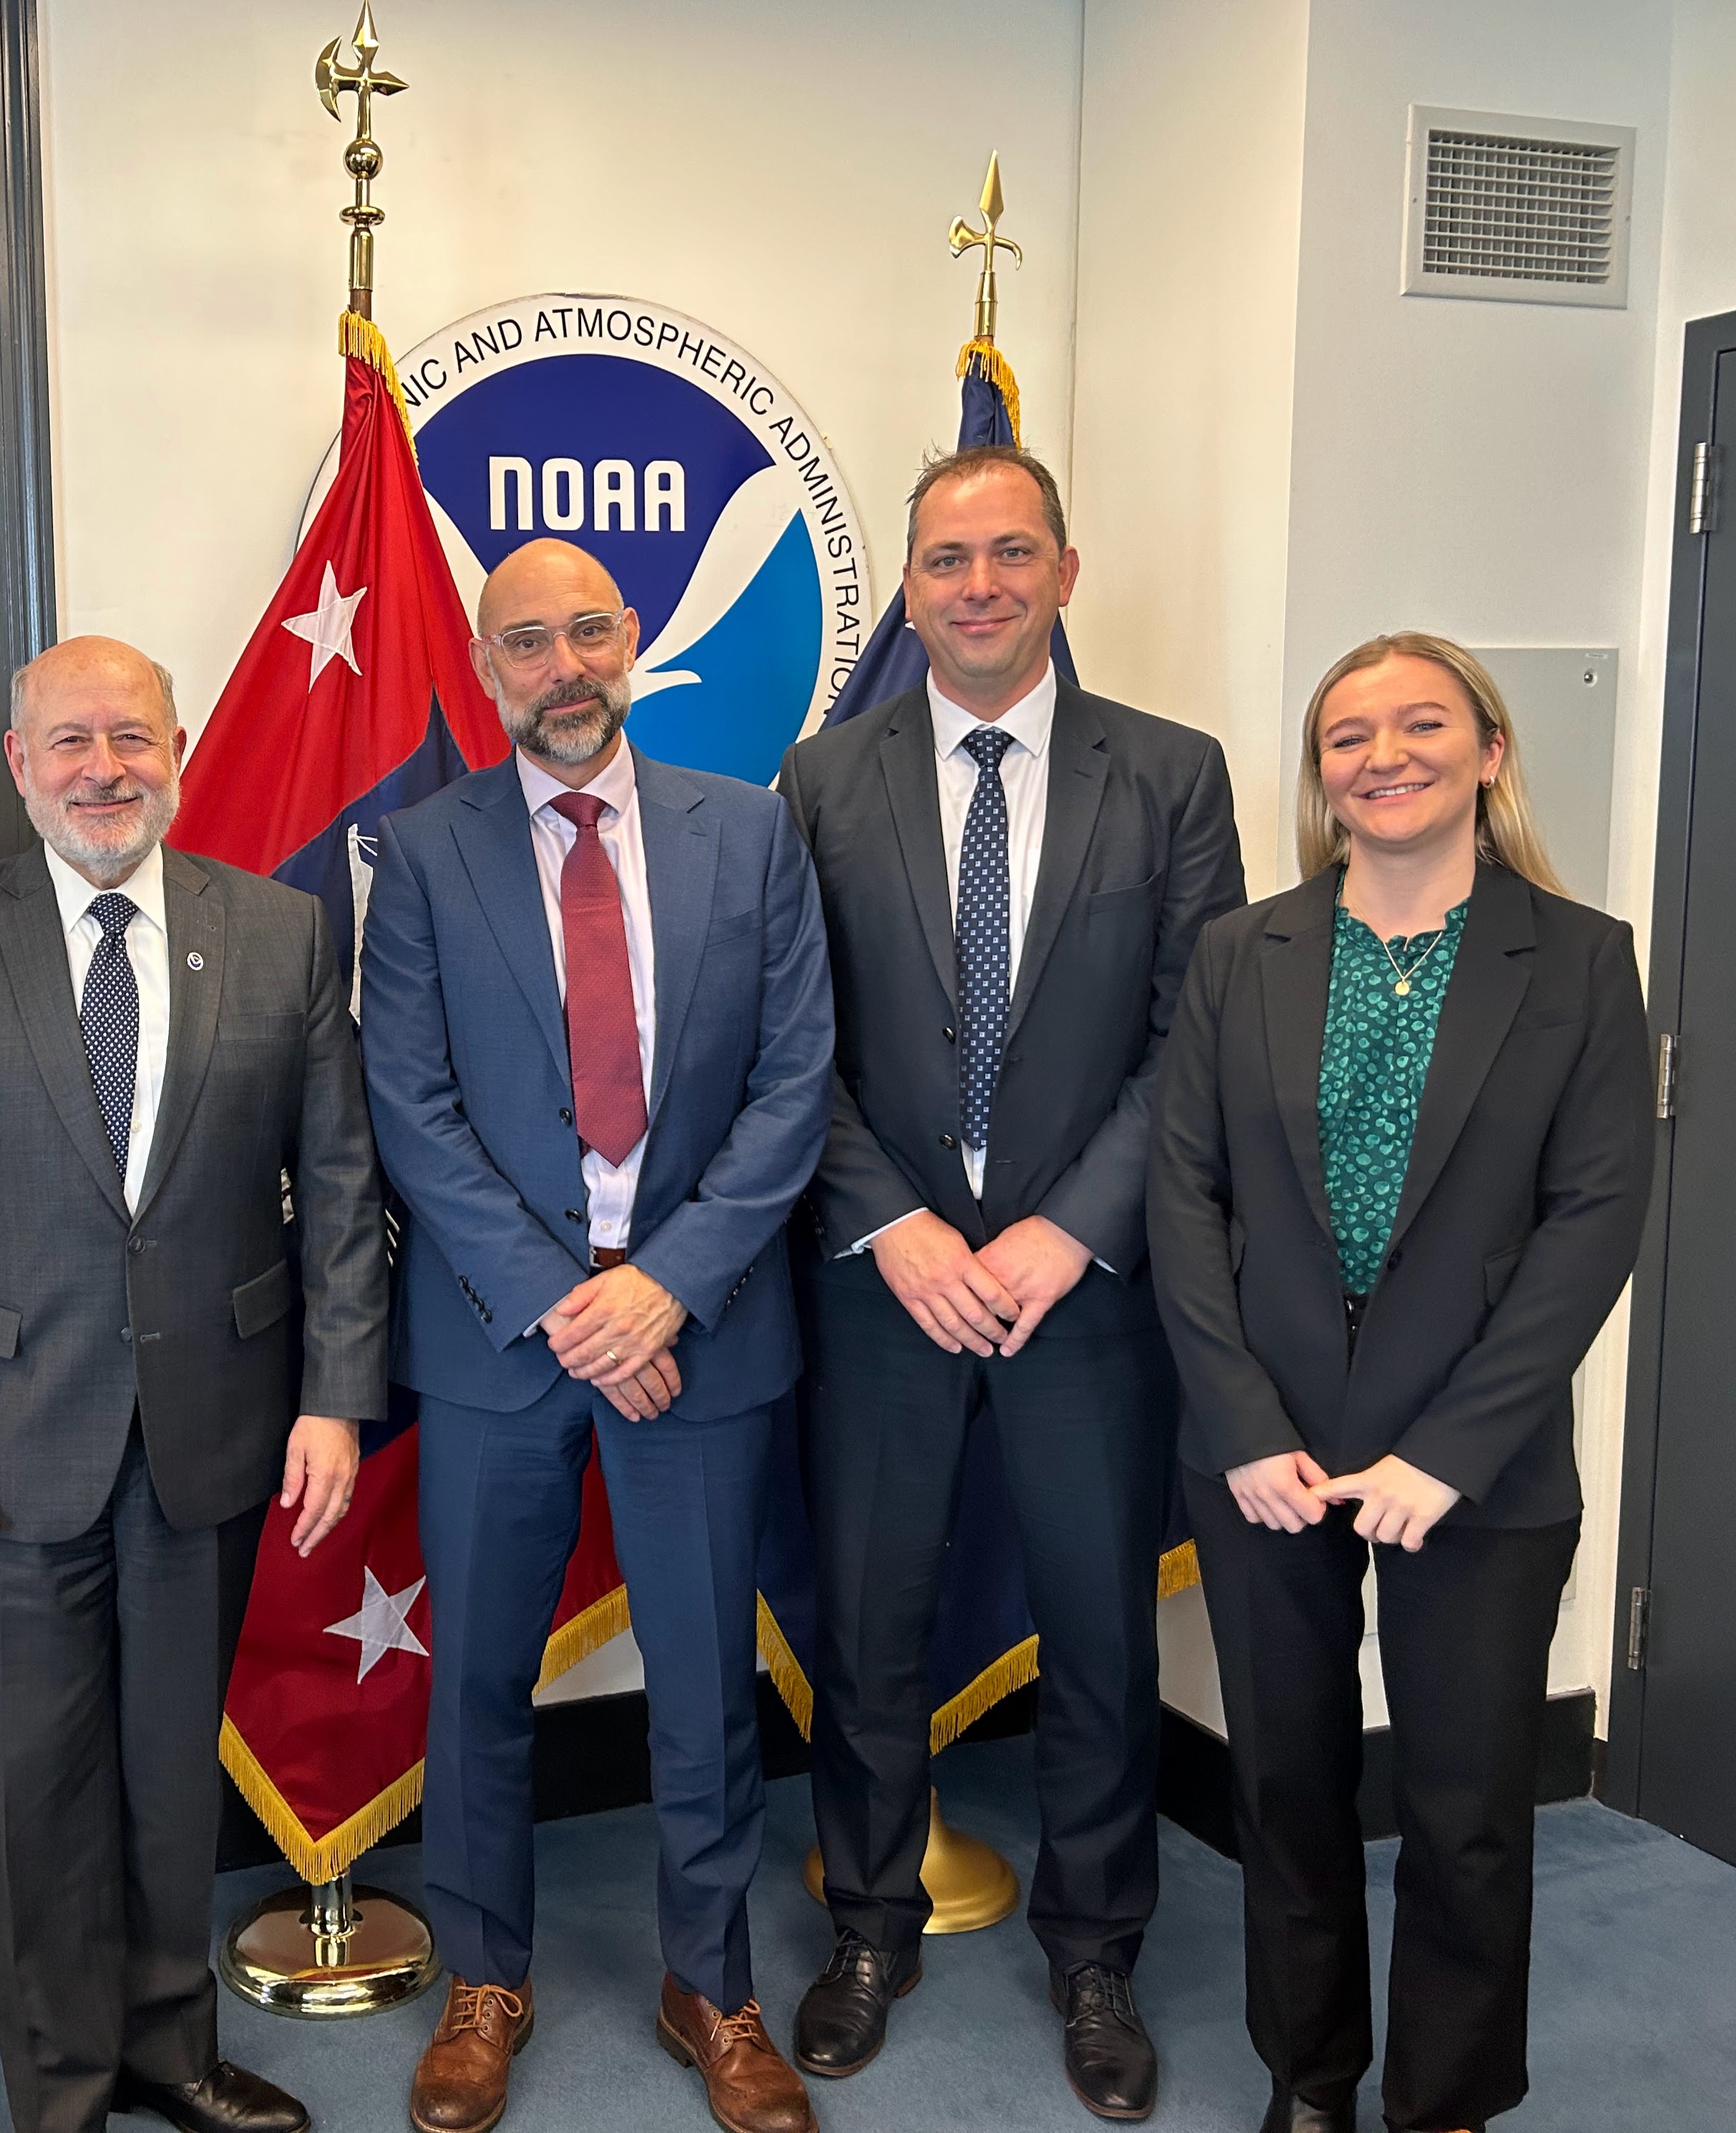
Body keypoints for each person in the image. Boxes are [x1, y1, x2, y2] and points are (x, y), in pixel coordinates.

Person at [0, 637, 388, 2133]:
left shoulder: (277, 933)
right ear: (19, 762)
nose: (103, 766)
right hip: (5, 1451)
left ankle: (169, 2050)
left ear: (178, 746)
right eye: (70, 739)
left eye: (130, 736)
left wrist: (335, 1396)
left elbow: (337, 1187)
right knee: (36, 1788)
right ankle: (64, 2086)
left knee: (164, 1773)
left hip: (214, 1430)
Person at [778, 443, 1245, 2118]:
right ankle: (864, 1924)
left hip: (1084, 1291)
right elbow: (789, 1044)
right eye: (944, 559)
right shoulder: (824, 777)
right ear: (906, 587)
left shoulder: (1171, 774)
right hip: (882, 1283)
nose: (975, 584)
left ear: (1063, 567)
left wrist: (1066, 1227)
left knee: (1103, 1638)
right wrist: (893, 1222)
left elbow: (1194, 1036)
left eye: (1008, 552)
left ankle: (1095, 1945)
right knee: (868, 1622)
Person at [1146, 633, 1652, 2133]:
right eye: (1346, 733)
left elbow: (1592, 1220)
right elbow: (1182, 1199)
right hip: (1264, 1454)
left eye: (1419, 722)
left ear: (1488, 749)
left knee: (1465, 1812)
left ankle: (1441, 2100)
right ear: (1320, 775)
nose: (1382, 753)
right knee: (1285, 1795)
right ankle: (1308, 2077)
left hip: (1475, 1467)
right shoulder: (1242, 952)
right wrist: (1238, 1425)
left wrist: (1452, 1447)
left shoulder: (1577, 958)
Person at [360, 537, 835, 2133]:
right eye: (522, 644)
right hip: (505, 1335)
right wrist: (576, 1302)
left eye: (582, 631)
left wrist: (667, 1282)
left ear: (627, 636)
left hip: (698, 1324)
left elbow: (794, 1086)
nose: (559, 666)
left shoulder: (751, 832)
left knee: (702, 1683)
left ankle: (713, 1978)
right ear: (485, 669)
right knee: (480, 1678)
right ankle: (483, 1976)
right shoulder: (422, 853)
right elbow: (410, 1109)